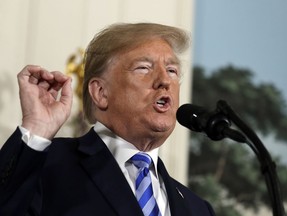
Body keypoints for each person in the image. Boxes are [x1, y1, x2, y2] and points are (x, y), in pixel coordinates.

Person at [0, 23, 215, 216]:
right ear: (101, 92)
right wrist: (37, 128)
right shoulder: (47, 163)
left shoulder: (198, 209)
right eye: (144, 68)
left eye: (172, 70)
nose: (164, 81)